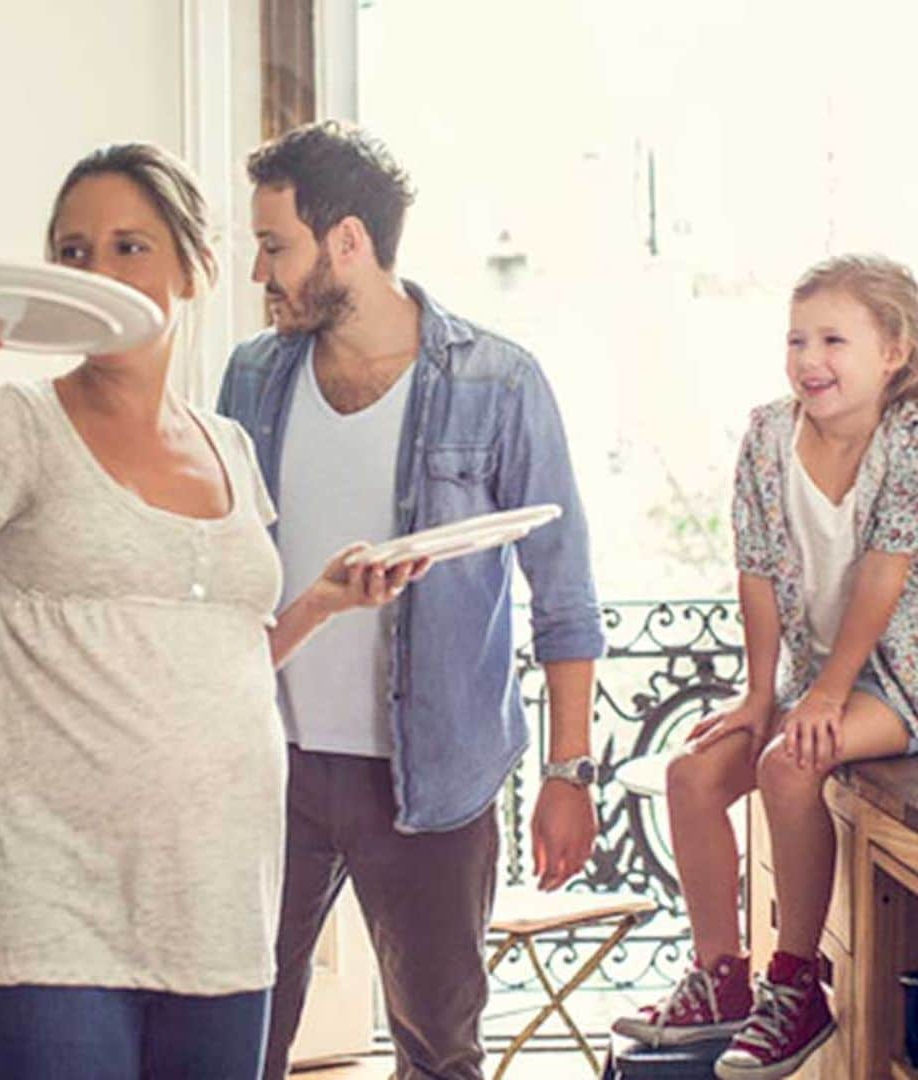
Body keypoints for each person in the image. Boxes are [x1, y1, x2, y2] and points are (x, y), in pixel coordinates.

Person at [0, 142, 422, 1080]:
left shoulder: (228, 446)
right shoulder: (14, 426)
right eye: (73, 252)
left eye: (128, 247)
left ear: (191, 269)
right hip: (53, 924)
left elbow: (214, 657)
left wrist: (316, 602)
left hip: (221, 911)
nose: (97, 273)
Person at [217, 120, 606, 1079]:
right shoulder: (251, 378)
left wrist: (569, 773)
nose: (260, 273)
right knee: (233, 1040)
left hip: (433, 784)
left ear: (346, 242)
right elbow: (220, 569)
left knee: (439, 1053)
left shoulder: (498, 382)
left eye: (276, 247)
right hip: (271, 769)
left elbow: (564, 594)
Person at [613, 253, 918, 1079]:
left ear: (893, 351)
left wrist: (819, 697)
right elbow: (755, 571)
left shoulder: (912, 438)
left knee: (792, 766)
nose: (809, 359)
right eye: (796, 339)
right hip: (814, 672)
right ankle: (722, 981)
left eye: (833, 340)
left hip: (900, 678)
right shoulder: (767, 435)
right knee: (692, 774)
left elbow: (886, 574)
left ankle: (798, 984)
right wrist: (759, 693)